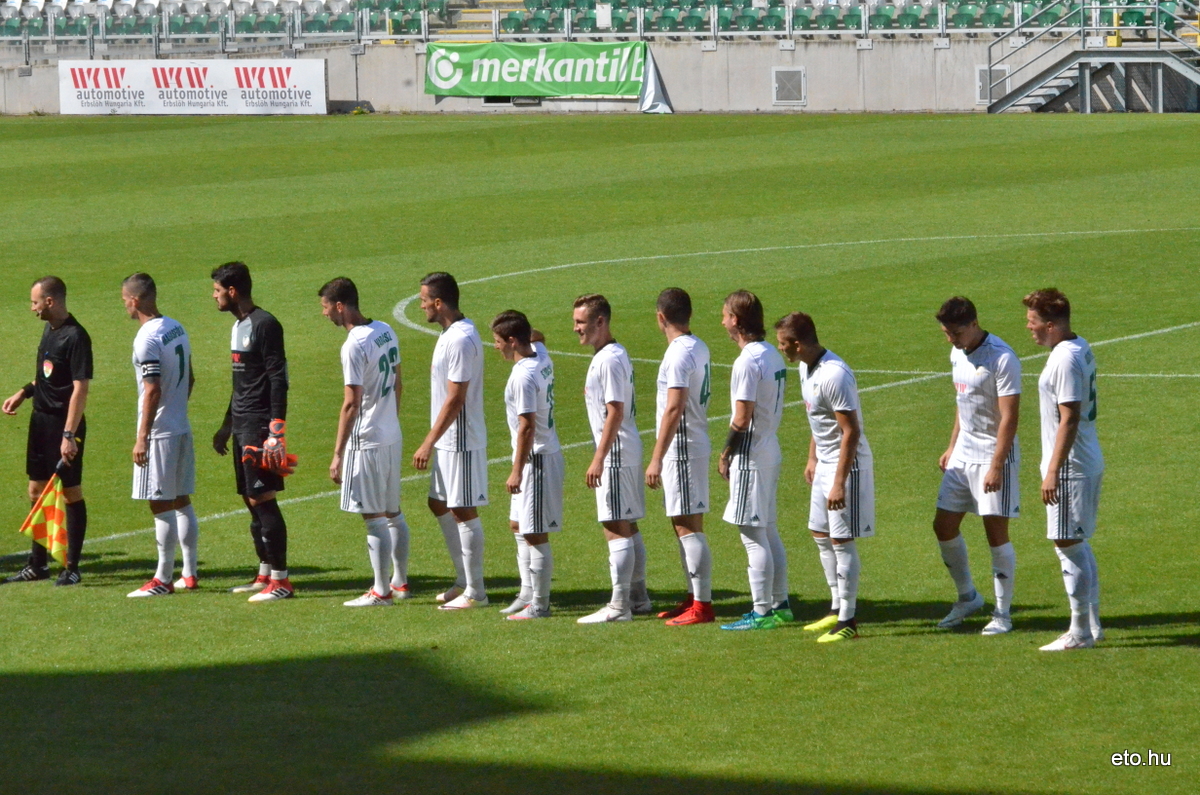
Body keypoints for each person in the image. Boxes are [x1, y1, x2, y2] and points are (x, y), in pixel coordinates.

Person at [776, 312, 874, 643]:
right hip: (824, 463)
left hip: (847, 465)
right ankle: (835, 607)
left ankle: (848, 619)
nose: (780, 349)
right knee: (819, 531)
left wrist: (838, 482)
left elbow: (851, 431)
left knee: (841, 539)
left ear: (798, 344)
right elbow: (819, 420)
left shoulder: (835, 375)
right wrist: (811, 457)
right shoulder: (806, 367)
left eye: (782, 344)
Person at [931, 297, 1021, 635]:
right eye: (946, 333)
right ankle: (968, 596)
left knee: (995, 535)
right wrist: (952, 445)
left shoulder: (1002, 358)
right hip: (963, 455)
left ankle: (1003, 614)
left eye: (955, 332)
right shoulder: (957, 352)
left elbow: (1010, 417)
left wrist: (997, 465)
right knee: (943, 525)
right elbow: (962, 401)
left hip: (993, 456)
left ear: (973, 323)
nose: (951, 339)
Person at [320, 278, 411, 607]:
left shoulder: (353, 344)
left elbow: (351, 404)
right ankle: (399, 582)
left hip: (367, 439)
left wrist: (337, 454)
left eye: (326, 307)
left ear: (340, 306)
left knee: (372, 516)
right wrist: (391, 419)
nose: (325, 314)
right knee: (393, 512)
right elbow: (398, 381)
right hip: (390, 433)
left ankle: (380, 591)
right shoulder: (385, 329)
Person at [1024, 289, 1103, 652]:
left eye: (1033, 322)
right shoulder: (1078, 346)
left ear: (1051, 325)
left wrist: (1052, 470)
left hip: (1071, 467)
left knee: (1067, 543)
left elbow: (1069, 418)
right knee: (1074, 543)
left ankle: (1079, 633)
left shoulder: (1064, 360)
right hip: (1081, 461)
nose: (1030, 328)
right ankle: (1091, 623)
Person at [211, 261, 294, 602]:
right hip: (243, 424)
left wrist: (276, 431)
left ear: (233, 291)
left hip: (261, 424)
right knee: (250, 499)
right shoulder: (238, 325)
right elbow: (241, 382)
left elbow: (278, 379)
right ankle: (264, 573)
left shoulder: (266, 324)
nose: (213, 297)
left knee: (263, 499)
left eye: (217, 291)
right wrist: (226, 425)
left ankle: (282, 581)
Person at [2, 276, 92, 586]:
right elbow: (48, 376)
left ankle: (72, 567)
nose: (32, 308)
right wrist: (24, 391)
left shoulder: (76, 337)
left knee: (70, 493)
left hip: (62, 424)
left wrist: (69, 434)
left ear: (50, 302)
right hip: (39, 420)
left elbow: (80, 389)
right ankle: (37, 565)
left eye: (35, 302)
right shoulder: (50, 329)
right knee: (36, 491)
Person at [412, 272, 489, 610]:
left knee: (462, 509)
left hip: (459, 439)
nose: (422, 305)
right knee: (438, 502)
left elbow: (456, 398)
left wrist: (428, 441)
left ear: (439, 302)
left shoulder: (460, 339)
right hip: (448, 439)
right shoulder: (449, 333)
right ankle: (463, 580)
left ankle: (476, 591)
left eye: (424, 300)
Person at [573, 293, 651, 624]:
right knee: (628, 526)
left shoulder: (608, 359)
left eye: (580, 322)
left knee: (614, 526)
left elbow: (615, 411)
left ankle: (619, 607)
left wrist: (598, 458)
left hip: (616, 453)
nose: (575, 328)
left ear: (600, 322)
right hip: (624, 450)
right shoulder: (611, 355)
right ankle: (639, 597)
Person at [122, 273, 201, 598]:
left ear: (135, 300)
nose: (124, 305)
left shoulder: (146, 338)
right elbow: (191, 377)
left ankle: (163, 579)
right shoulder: (175, 327)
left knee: (159, 502)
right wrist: (177, 409)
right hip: (181, 425)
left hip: (160, 433)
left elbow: (151, 389)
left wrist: (143, 436)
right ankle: (190, 573)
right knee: (181, 499)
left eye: (124, 299)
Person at [718, 291, 791, 631]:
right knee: (769, 529)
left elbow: (742, 416)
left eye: (725, 315)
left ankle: (762, 612)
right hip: (770, 448)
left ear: (736, 320)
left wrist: (726, 452)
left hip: (750, 452)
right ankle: (781, 604)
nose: (722, 321)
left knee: (751, 532)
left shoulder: (747, 360)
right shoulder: (772, 354)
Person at [645, 288, 715, 626]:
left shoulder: (677, 354)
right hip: (692, 442)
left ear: (661, 317)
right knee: (682, 524)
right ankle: (693, 598)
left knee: (688, 526)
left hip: (683, 448)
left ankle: (702, 606)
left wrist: (656, 457)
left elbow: (674, 407)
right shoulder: (698, 345)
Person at [492, 311, 562, 620]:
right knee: (518, 526)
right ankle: (527, 593)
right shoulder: (541, 355)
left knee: (535, 533)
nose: (495, 347)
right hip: (538, 457)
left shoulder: (522, 376)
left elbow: (526, 427)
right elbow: (539, 336)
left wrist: (517, 470)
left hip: (537, 460)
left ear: (511, 341)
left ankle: (541, 604)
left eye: (497, 341)